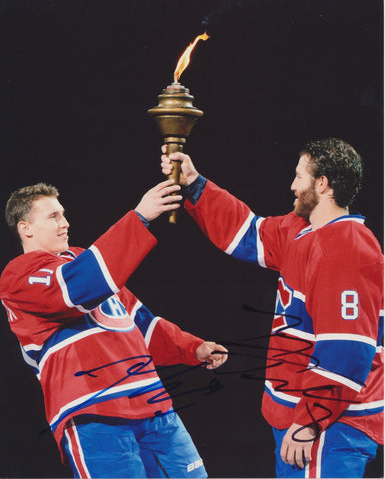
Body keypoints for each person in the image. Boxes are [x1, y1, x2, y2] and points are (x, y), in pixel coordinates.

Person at [161, 138, 384, 478]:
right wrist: (194, 182)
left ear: (322, 184)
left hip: (330, 427)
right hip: (302, 415)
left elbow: (347, 350)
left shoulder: (346, 250)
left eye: (300, 177)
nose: (293, 186)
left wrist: (308, 423)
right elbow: (245, 231)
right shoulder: (303, 231)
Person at [0, 179, 228, 479]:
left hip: (154, 405)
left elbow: (140, 322)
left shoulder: (88, 262)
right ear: (25, 228)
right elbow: (76, 289)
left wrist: (192, 347)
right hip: (94, 415)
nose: (65, 223)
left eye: (64, 214)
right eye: (53, 217)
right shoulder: (18, 276)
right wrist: (139, 218)